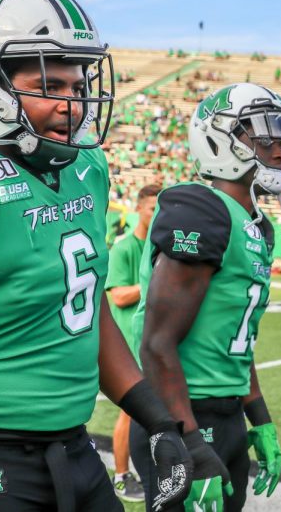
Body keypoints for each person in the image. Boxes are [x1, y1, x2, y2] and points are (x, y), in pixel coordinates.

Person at [0, 0, 193, 511]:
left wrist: (160, 422)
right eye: (49, 85)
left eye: (78, 84)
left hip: (75, 448)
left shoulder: (87, 168)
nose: (72, 102)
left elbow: (84, 305)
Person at [129, 83, 281, 512]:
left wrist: (260, 419)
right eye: (265, 136)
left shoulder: (255, 225)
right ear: (218, 139)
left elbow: (237, 346)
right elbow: (157, 343)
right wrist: (187, 439)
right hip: (183, 414)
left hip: (225, 416)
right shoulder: (202, 208)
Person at [107, 183, 162, 502]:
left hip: (149, 342)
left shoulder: (156, 247)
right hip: (128, 341)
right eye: (152, 208)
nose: (155, 215)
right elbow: (118, 294)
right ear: (139, 209)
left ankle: (141, 469)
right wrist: (154, 282)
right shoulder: (125, 246)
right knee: (129, 413)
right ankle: (120, 476)